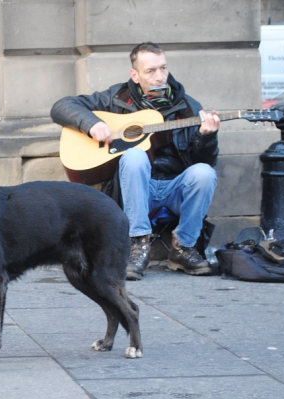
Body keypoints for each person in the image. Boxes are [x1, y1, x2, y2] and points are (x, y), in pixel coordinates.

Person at [51, 42, 220, 280]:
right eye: (150, 71)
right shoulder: (115, 99)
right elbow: (61, 106)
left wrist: (206, 137)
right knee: (135, 155)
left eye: (163, 68)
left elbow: (205, 161)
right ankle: (137, 244)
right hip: (132, 191)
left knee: (204, 173)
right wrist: (91, 124)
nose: (159, 77)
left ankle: (183, 247)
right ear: (135, 74)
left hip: (174, 189)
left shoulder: (189, 107)